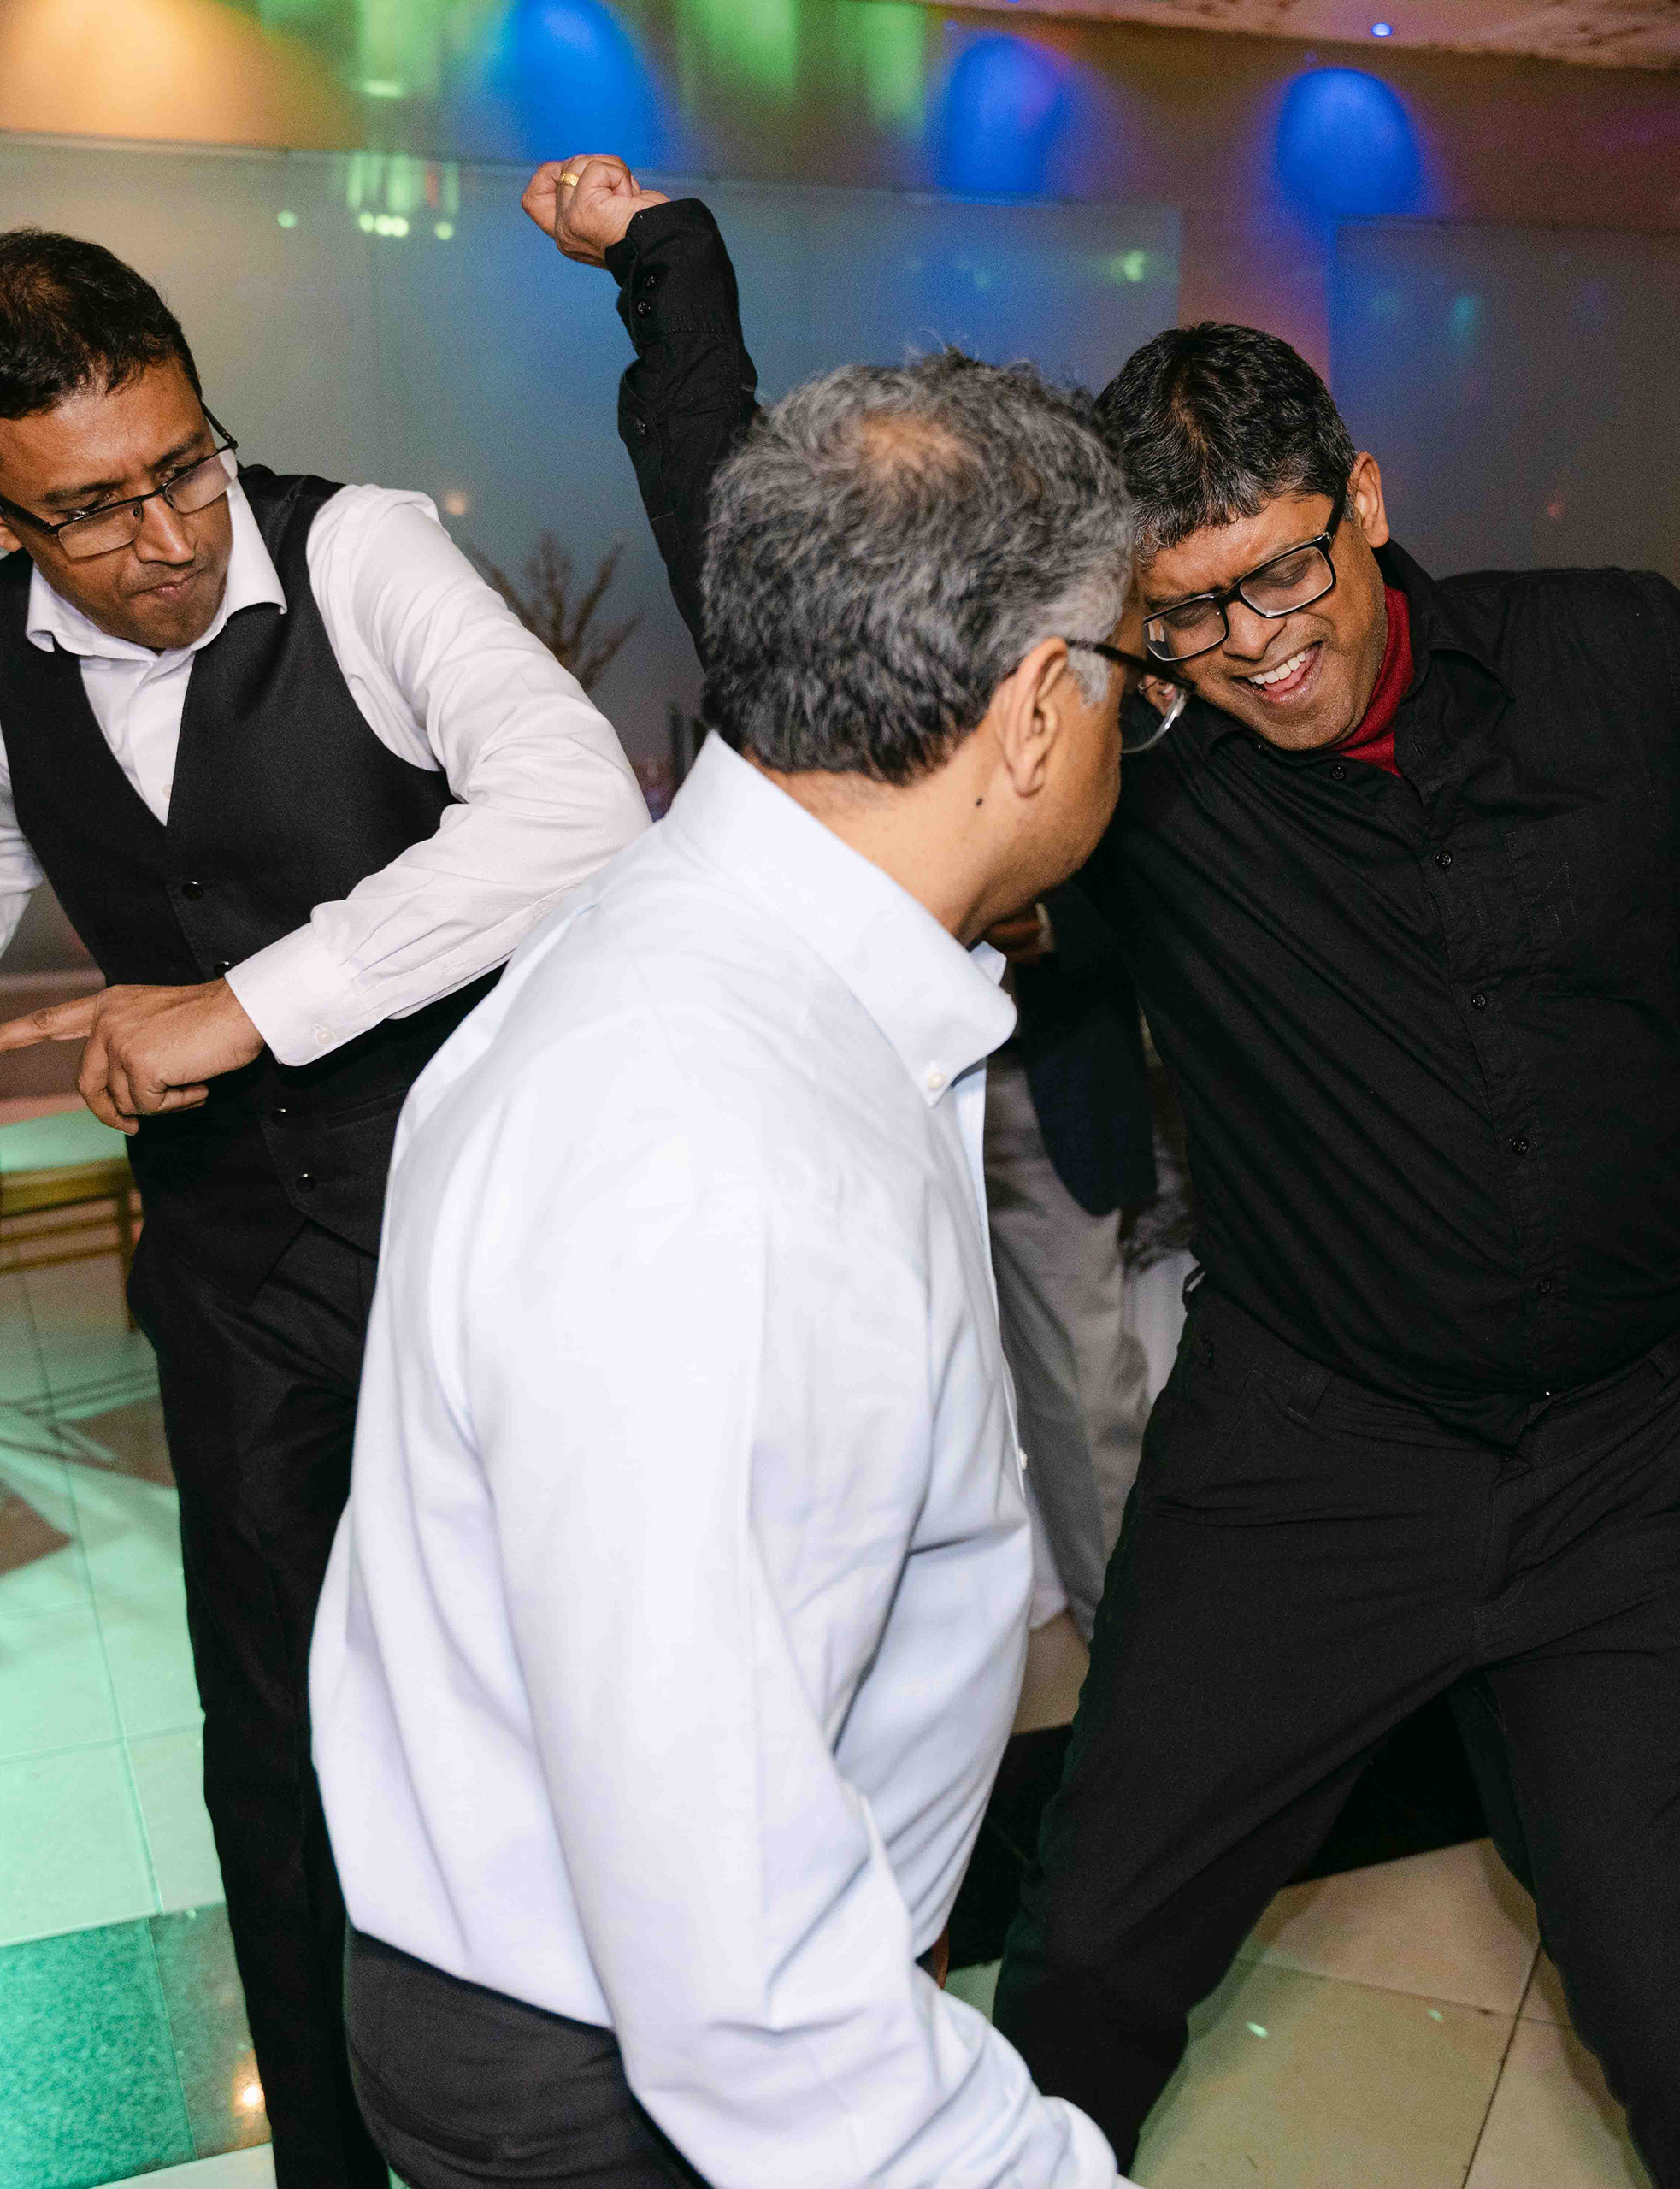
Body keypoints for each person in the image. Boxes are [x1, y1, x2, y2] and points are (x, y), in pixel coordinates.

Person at [531, 158, 1680, 2186]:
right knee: (1087, 1970)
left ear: (1364, 496)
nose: (1251, 647)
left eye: (1279, 575)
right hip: (1304, 1461)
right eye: (1183, 610)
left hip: (1613, 1460)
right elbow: (809, 624)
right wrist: (671, 276)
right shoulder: (1149, 773)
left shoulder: (1613, 655)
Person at [0, 229, 648, 2188]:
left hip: (482, 1228)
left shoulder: (362, 552)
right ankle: (328, 2154)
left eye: (184, 464)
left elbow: (577, 804)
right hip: (237, 1259)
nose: (169, 536)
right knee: (274, 1728)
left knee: (560, 1692)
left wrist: (244, 1004)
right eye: (92, 508)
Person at [311, 352, 1152, 2189]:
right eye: (1128, 678)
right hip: (618, 2074)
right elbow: (732, 1962)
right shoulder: (711, 1140)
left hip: (648, 1995)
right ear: (1034, 709)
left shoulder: (736, 956)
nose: (1127, 723)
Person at [981, 895, 1158, 1636]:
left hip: (1040, 1076)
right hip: (872, 1086)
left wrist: (1050, 922)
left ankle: (1120, 1632)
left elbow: (1160, 895)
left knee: (1082, 1388)